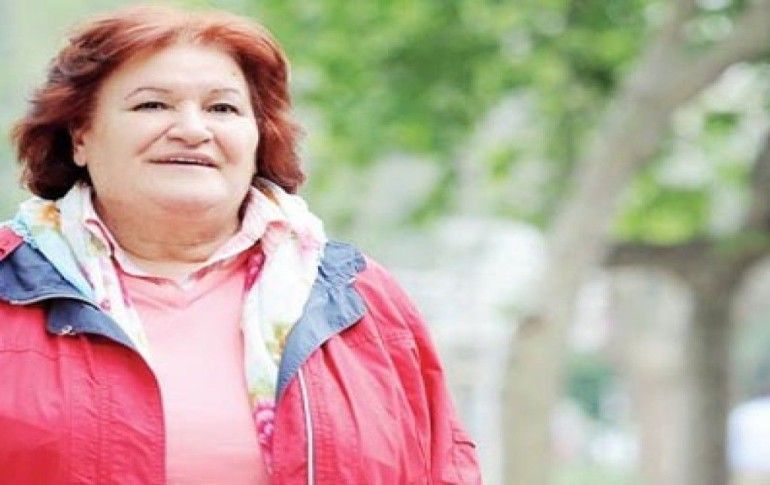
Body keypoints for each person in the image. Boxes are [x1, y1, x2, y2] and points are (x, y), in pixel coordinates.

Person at [0, 5, 481, 485]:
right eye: (152, 105)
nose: (193, 130)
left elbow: (444, 469)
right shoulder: (10, 282)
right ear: (80, 135)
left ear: (257, 137)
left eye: (222, 109)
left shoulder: (360, 300)